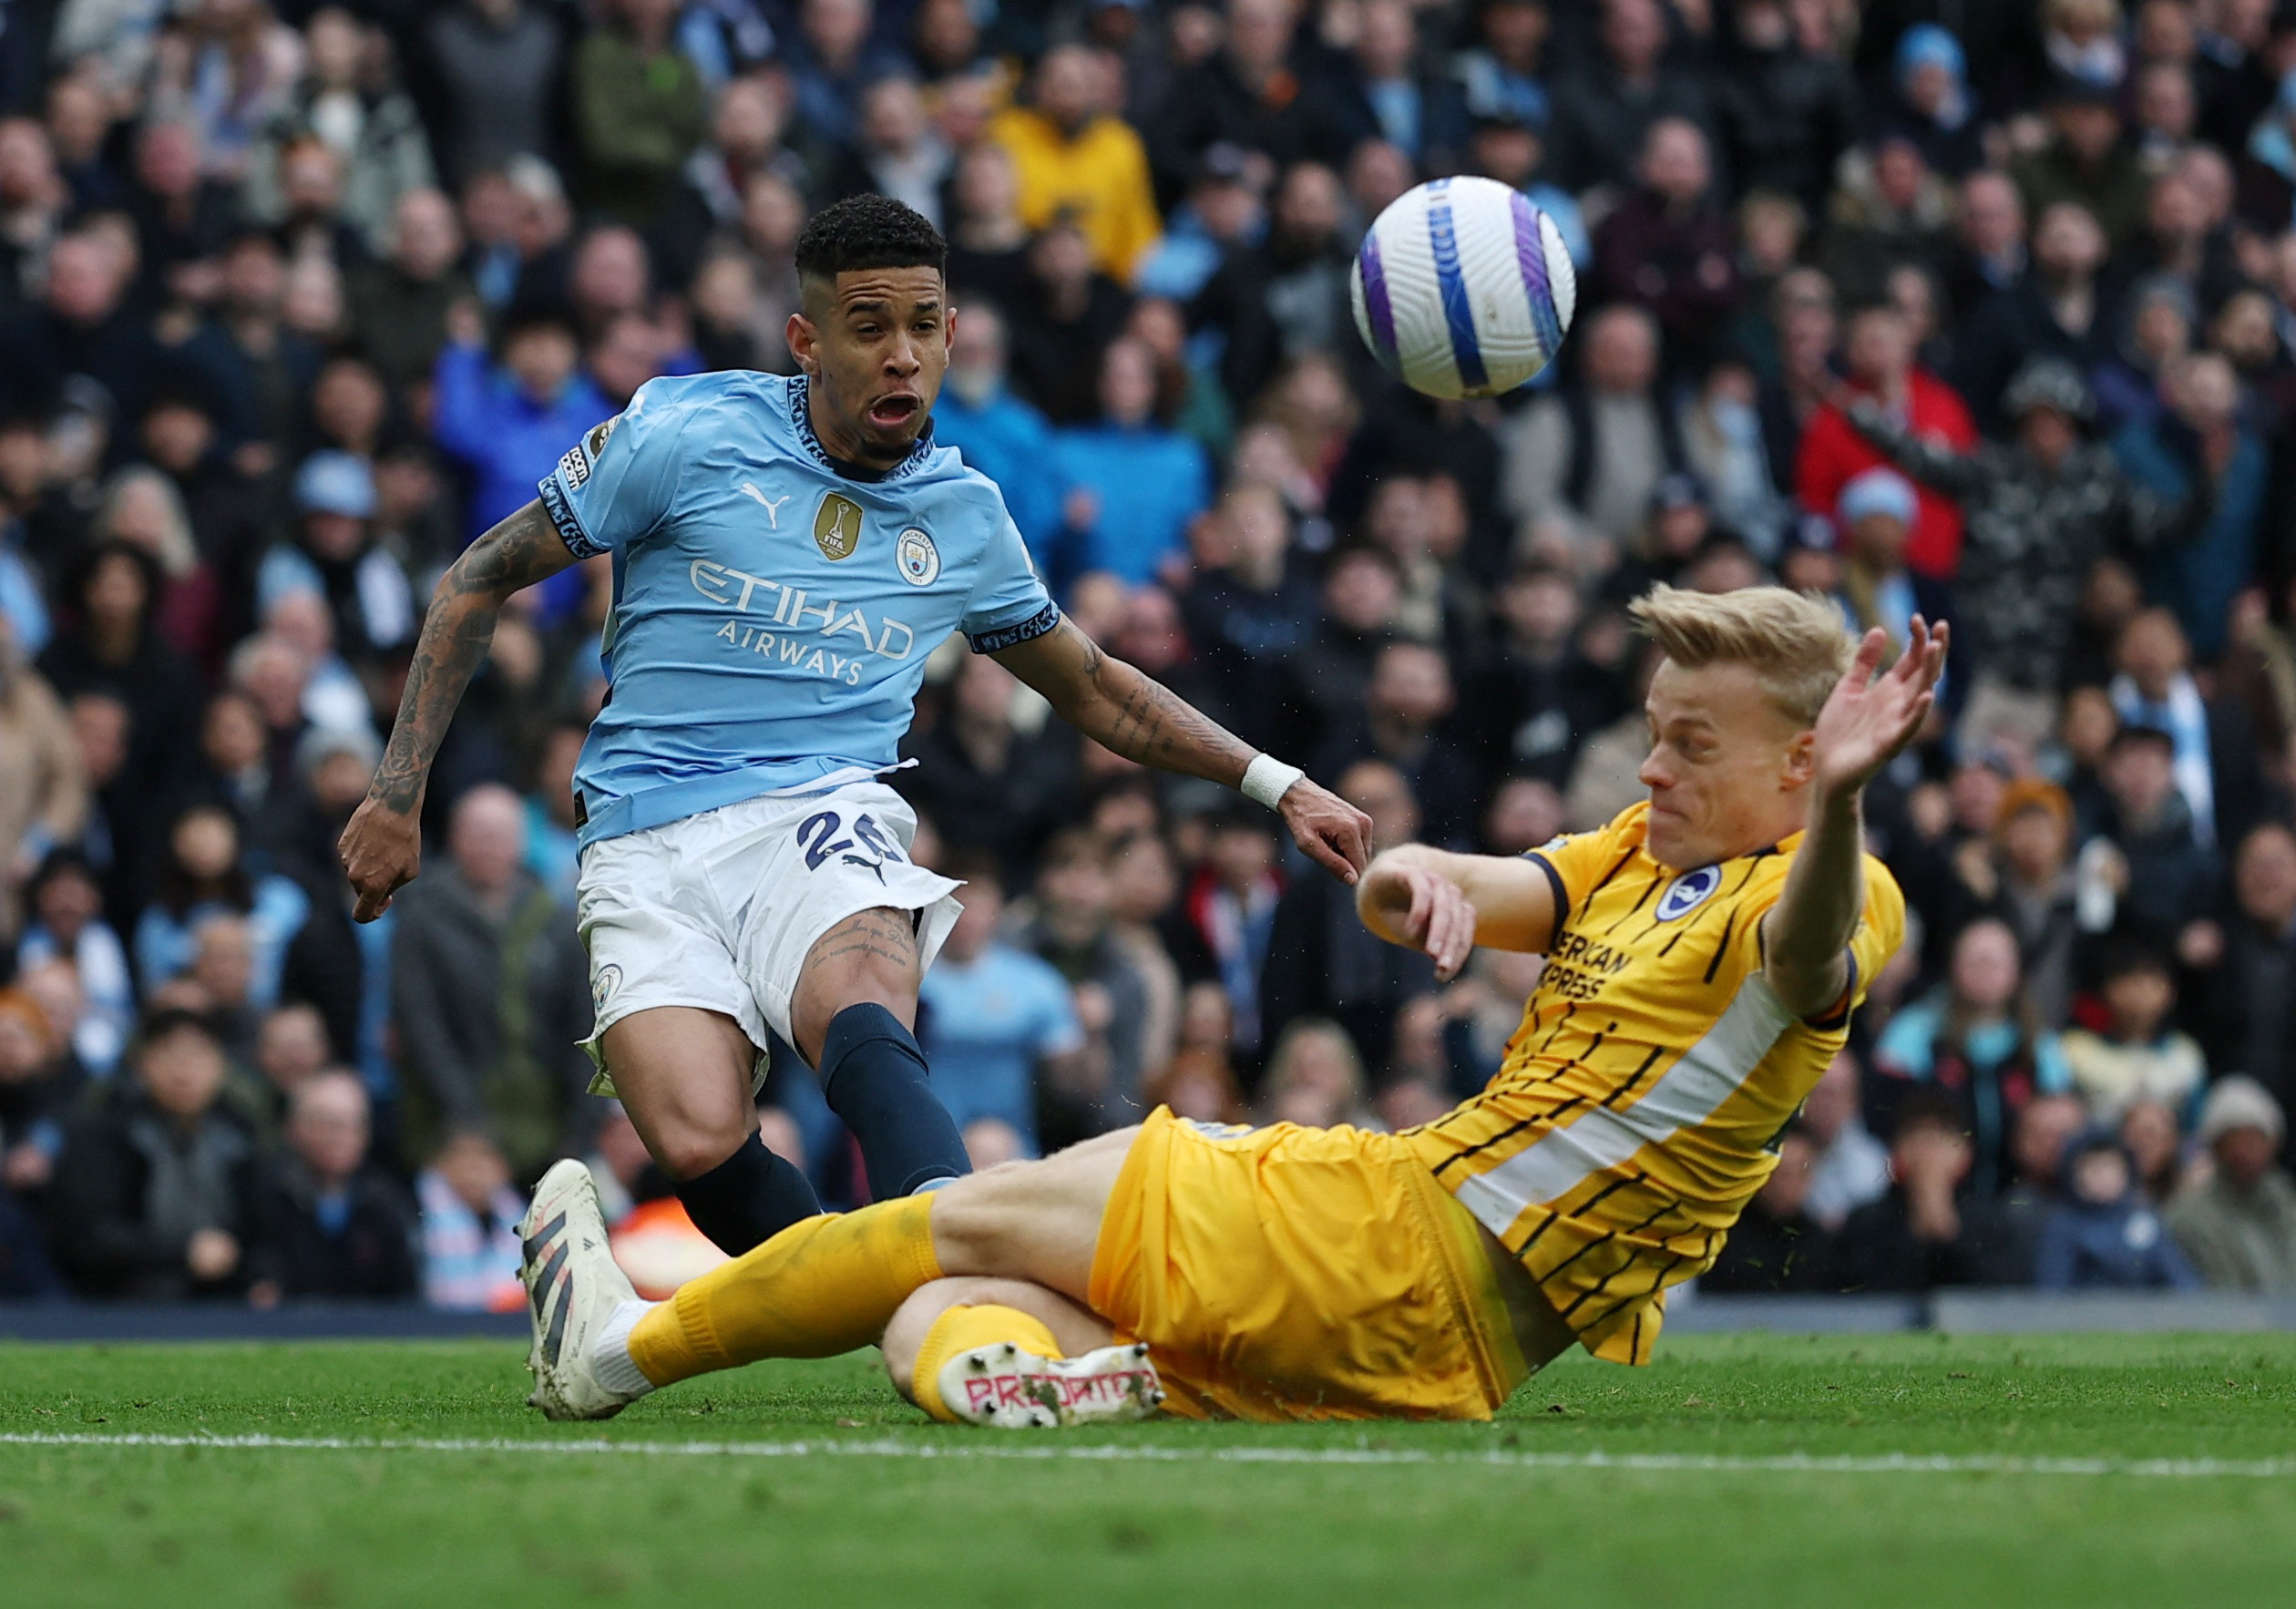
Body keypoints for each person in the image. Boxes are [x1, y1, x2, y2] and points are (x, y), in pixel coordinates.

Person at [513, 582, 1935, 1428]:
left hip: (1399, 1241)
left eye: (1691, 744)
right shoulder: (1637, 852)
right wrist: (1416, 884)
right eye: (1653, 734)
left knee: (955, 1213)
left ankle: (620, 1350)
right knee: (940, 1314)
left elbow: (1808, 955)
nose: (1652, 768)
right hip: (1436, 1339)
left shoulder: (1834, 889)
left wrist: (1844, 809)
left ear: (1804, 763)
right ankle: (1043, 1388)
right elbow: (1450, 882)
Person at [337, 195, 1371, 1273]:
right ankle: (877, 1303)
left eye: (924, 326)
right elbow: (479, 576)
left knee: (862, 997)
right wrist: (397, 794)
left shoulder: (963, 513)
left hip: (821, 806)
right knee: (696, 1139)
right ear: (807, 339)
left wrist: (1277, 781)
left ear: (952, 334)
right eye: (869, 326)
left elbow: (1098, 690)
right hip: (644, 830)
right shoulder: (684, 434)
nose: (901, 355)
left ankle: (966, 1278)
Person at [253, 1069, 422, 1299]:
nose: (340, 1137)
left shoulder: (386, 1202)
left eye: (354, 1124)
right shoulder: (264, 1194)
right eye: (328, 1123)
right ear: (294, 1128)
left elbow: (404, 1291)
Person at [2165, 1077, 2296, 1293]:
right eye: (2237, 1141)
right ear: (2216, 1148)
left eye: (2256, 1139)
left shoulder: (2286, 1202)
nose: (2248, 1152)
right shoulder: (2190, 1217)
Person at [2034, 1130, 2201, 1290]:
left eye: (2109, 1166)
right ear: (2074, 1175)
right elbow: (2053, 1290)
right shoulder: (2063, 1226)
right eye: (2092, 1168)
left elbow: (2180, 1277)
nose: (2103, 1176)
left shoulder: (2144, 1219)